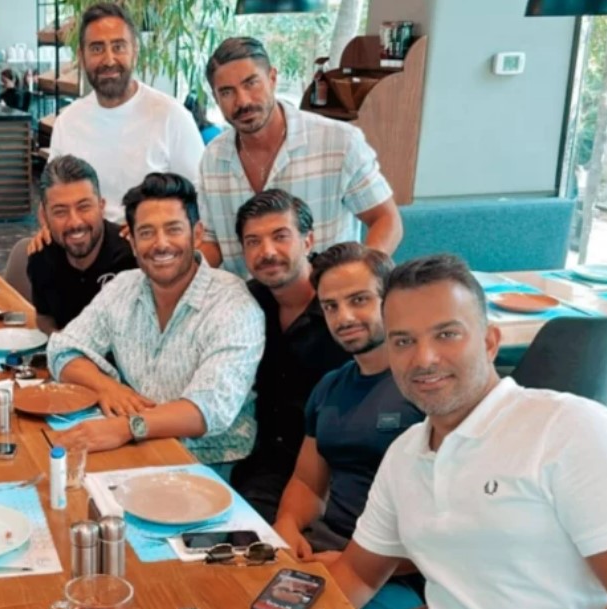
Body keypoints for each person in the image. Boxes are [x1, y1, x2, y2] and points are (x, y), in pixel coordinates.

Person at [325, 254, 607, 609]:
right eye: (403, 341)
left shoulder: (571, 430)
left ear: (489, 342)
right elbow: (359, 574)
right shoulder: (405, 454)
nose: (424, 358)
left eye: (446, 334)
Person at [46, 173, 263, 475]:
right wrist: (107, 388)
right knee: (46, 472)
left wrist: (128, 426)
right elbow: (62, 349)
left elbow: (209, 408)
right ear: (133, 242)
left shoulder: (233, 305)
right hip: (133, 448)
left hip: (208, 463)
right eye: (146, 233)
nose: (161, 244)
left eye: (173, 230)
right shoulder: (123, 287)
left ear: (197, 234)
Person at [270, 242, 425, 609]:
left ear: (391, 299)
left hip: (397, 574)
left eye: (359, 300)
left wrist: (355, 562)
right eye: (331, 306)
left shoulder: (425, 388)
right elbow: (308, 483)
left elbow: (455, 531)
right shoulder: (330, 387)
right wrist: (286, 524)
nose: (345, 317)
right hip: (324, 552)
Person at [198, 37, 403, 279]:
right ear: (215, 98)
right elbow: (212, 242)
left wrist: (356, 279)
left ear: (272, 78)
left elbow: (386, 219)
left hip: (324, 295)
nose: (242, 101)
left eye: (251, 83)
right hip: (243, 298)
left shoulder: (339, 142)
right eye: (227, 92)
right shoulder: (213, 157)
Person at [229, 190, 349, 521]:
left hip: (334, 470)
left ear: (308, 240)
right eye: (253, 242)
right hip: (262, 465)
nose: (267, 252)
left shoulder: (344, 306)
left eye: (280, 236)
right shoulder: (244, 304)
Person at [47, 2, 203, 225]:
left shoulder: (172, 117)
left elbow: (199, 199)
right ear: (81, 56)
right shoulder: (67, 122)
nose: (109, 60)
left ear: (135, 51)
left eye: (118, 47)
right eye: (97, 49)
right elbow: (53, 193)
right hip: (85, 239)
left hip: (150, 240)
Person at [28, 155, 137, 333]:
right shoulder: (41, 257)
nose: (75, 222)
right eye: (60, 211)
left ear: (101, 206)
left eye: (84, 207)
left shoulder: (133, 255)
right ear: (44, 216)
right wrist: (63, 343)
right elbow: (44, 318)